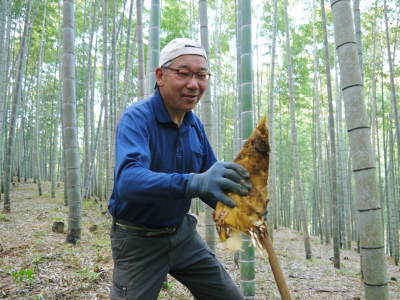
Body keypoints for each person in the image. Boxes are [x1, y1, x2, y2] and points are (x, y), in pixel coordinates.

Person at [108, 38, 252, 300]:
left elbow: (210, 182)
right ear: (160, 76)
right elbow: (128, 181)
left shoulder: (193, 125)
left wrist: (238, 204)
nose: (194, 84)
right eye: (183, 74)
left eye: (201, 75)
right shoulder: (137, 118)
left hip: (182, 234)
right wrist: (192, 183)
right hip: (138, 239)